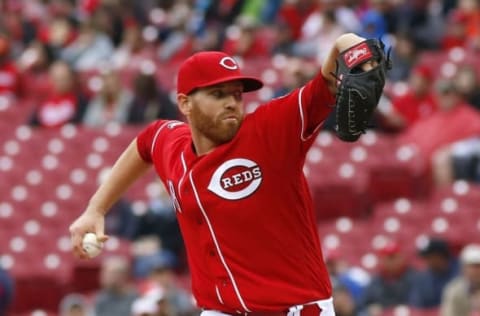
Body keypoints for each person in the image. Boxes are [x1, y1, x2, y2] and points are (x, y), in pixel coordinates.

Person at [70, 32, 378, 315]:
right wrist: (96, 209)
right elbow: (145, 143)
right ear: (185, 103)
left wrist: (350, 45)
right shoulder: (173, 146)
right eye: (218, 94)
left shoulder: (269, 130)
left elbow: (327, 78)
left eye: (237, 94)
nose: (232, 103)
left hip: (294, 309)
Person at [409, 237, 459, 309]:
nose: (427, 261)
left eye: (429, 257)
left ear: (440, 256)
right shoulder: (422, 278)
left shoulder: (461, 272)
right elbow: (416, 305)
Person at [441, 243, 480, 316]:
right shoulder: (454, 290)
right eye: (473, 266)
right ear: (464, 268)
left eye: (479, 266)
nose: (477, 271)